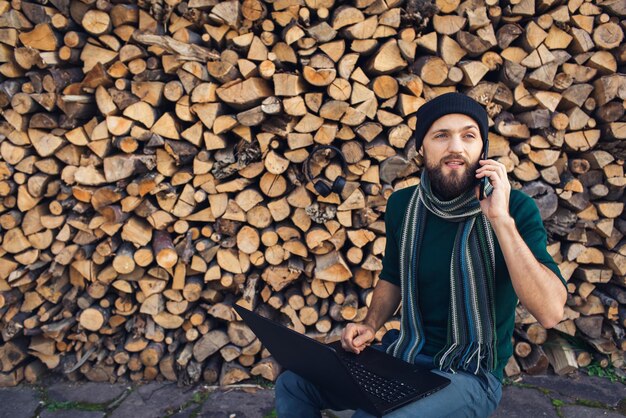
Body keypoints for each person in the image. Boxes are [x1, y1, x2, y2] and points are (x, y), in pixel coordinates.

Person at [275, 92, 568, 417]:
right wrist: (371, 325)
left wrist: (499, 220)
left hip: (470, 373)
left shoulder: (515, 210)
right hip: (405, 355)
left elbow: (550, 312)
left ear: (482, 150)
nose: (455, 147)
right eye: (441, 135)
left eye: (469, 136)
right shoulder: (404, 206)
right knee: (293, 382)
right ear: (421, 148)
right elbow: (392, 277)